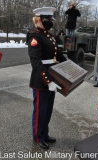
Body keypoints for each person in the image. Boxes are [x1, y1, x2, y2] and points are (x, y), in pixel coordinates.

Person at [28, 7, 67, 149]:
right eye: (47, 20)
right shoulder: (35, 38)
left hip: (53, 77)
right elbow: (36, 62)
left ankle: (44, 134)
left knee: (48, 109)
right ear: (39, 20)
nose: (50, 22)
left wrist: (70, 65)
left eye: (51, 20)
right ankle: (38, 137)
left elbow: (58, 55)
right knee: (40, 110)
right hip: (41, 80)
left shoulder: (49, 36)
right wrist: (48, 81)